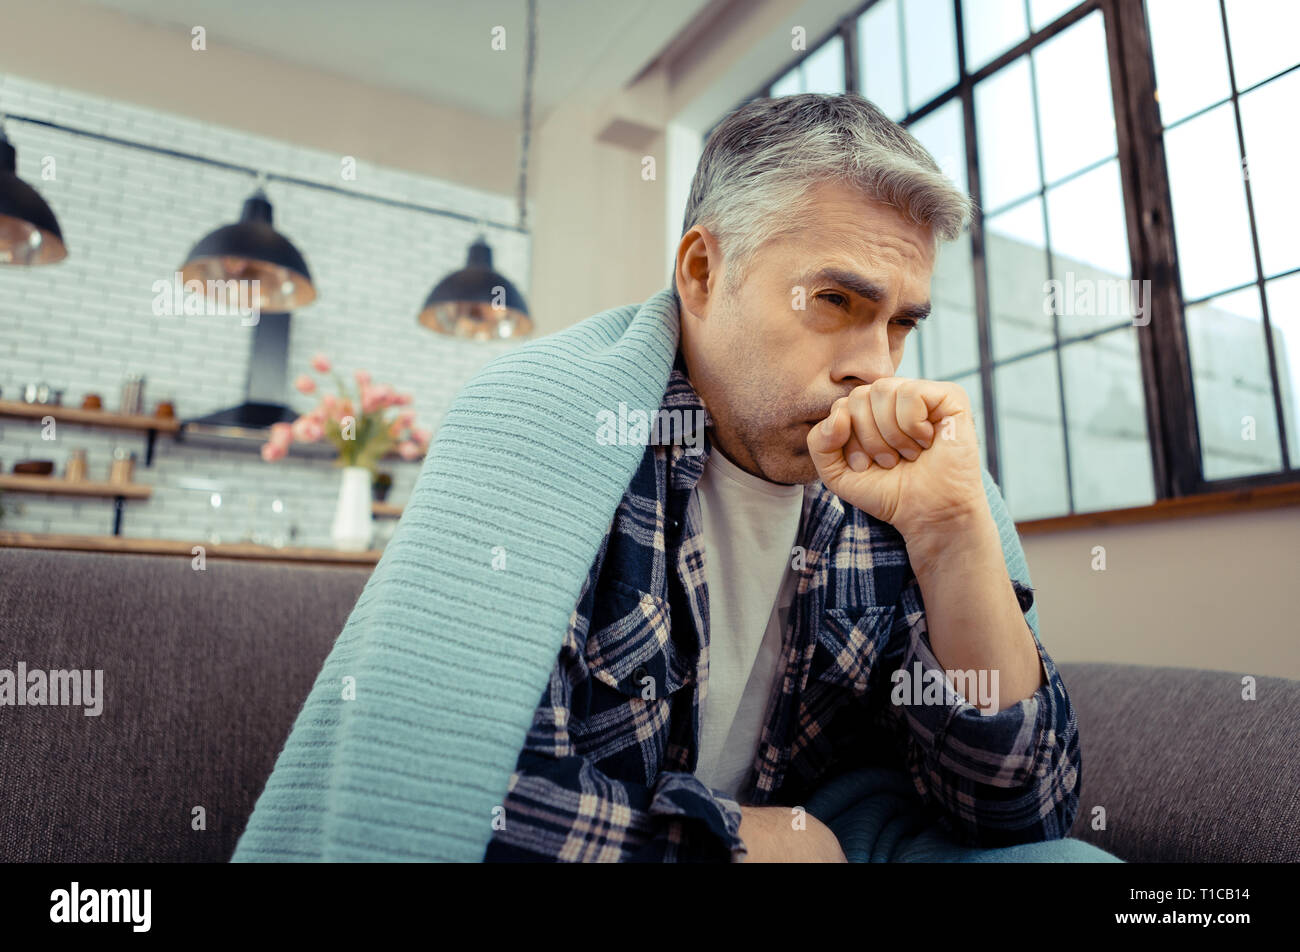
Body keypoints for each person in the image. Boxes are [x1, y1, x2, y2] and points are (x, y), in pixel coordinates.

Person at [481, 92, 1116, 863]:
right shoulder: (548, 431)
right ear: (703, 272)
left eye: (901, 324)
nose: (875, 367)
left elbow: (1026, 815)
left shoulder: (893, 477)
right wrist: (743, 846)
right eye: (834, 300)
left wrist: (951, 538)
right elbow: (466, 803)